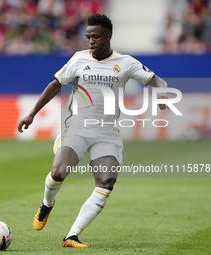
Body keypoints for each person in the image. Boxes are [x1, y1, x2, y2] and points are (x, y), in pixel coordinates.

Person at [17, 13, 169, 248]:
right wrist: (32, 113)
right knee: (58, 172)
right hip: (78, 127)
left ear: (108, 37)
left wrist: (162, 94)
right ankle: (47, 204)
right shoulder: (79, 59)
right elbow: (56, 84)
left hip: (107, 132)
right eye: (88, 37)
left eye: (95, 37)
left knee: (106, 181)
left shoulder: (125, 63)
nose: (91, 41)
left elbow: (155, 80)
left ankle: (71, 236)